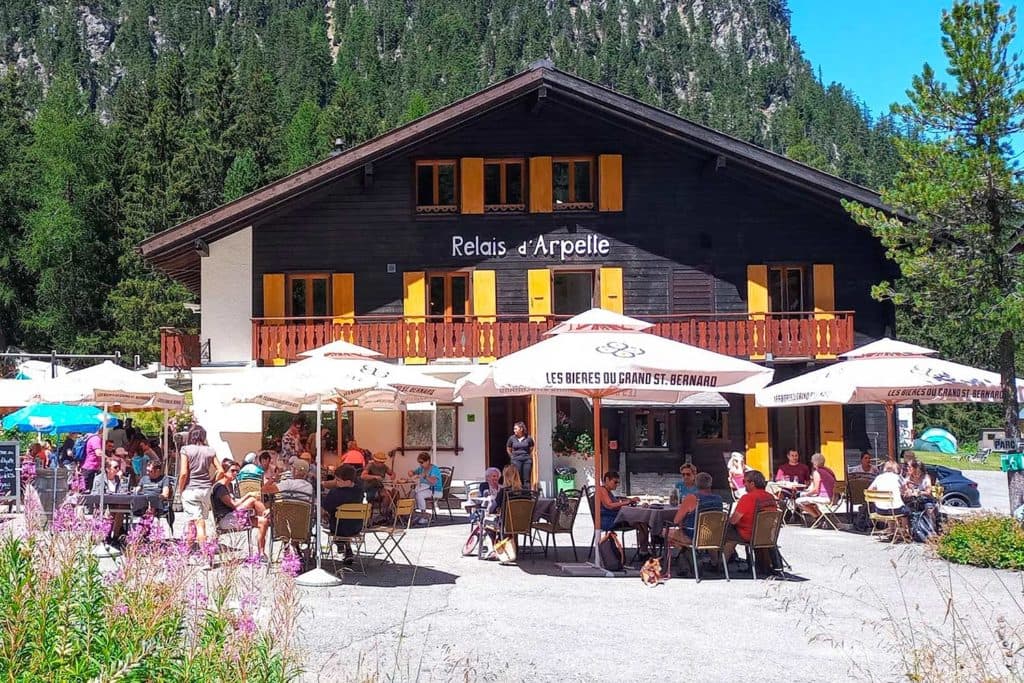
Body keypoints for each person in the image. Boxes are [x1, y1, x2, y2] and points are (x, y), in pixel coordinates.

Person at [211, 463, 270, 561]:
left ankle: (261, 553)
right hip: (226, 520)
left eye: (237, 471)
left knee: (263, 522)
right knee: (252, 499)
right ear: (225, 472)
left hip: (234, 517)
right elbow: (233, 505)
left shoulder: (228, 486)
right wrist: (248, 495)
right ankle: (270, 517)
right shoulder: (220, 487)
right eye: (232, 470)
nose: (235, 473)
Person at [177, 424, 223, 546]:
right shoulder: (210, 450)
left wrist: (180, 489)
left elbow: (183, 473)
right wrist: (212, 482)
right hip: (206, 489)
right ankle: (188, 550)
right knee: (194, 521)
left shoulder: (185, 450)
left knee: (198, 522)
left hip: (191, 489)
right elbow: (221, 471)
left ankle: (204, 554)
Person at [722, 470, 778, 571]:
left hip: (749, 534)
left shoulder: (748, 498)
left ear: (752, 483)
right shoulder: (770, 497)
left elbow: (734, 520)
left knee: (725, 531)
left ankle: (721, 564)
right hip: (766, 535)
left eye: (745, 482)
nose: (744, 485)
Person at [667, 472, 725, 565]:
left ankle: (688, 558)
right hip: (714, 535)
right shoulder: (718, 499)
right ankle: (714, 562)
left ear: (696, 483)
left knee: (664, 532)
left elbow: (676, 520)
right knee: (707, 529)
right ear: (710, 484)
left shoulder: (692, 498)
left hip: (694, 536)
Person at [595, 470, 646, 554]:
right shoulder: (602, 490)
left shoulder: (608, 492)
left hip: (614, 518)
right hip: (609, 520)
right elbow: (609, 505)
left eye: (618, 483)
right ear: (607, 480)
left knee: (642, 522)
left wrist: (627, 501)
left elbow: (615, 503)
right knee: (641, 522)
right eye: (615, 482)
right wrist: (628, 502)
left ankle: (643, 550)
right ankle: (644, 551)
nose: (617, 485)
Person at [322, 464, 364, 565]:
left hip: (338, 528)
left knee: (331, 517)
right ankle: (347, 549)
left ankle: (341, 544)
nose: (336, 482)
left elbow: (327, 507)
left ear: (348, 481)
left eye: (338, 480)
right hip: (356, 527)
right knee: (345, 521)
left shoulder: (335, 493)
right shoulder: (359, 491)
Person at [92, 457, 130, 542]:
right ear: (107, 469)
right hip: (103, 504)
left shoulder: (118, 479)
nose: (118, 469)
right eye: (115, 467)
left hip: (116, 503)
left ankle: (115, 536)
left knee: (122, 508)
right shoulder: (99, 478)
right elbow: (96, 494)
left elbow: (123, 491)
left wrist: (122, 480)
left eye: (118, 467)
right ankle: (106, 534)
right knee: (109, 510)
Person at [795, 453, 837, 521]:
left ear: (814, 463)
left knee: (798, 501)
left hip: (825, 498)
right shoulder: (829, 470)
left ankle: (818, 518)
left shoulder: (817, 472)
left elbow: (816, 490)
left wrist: (803, 494)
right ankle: (821, 518)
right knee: (810, 501)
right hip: (834, 498)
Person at [408, 451, 442, 525]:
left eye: (422, 462)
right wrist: (411, 472)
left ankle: (424, 516)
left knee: (419, 495)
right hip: (425, 488)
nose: (420, 464)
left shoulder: (434, 469)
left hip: (435, 490)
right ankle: (413, 514)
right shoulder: (421, 468)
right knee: (412, 493)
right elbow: (414, 472)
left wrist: (425, 476)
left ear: (428, 461)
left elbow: (433, 481)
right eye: (419, 462)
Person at [506, 422, 534, 490]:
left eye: (516, 429)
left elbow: (531, 447)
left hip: (526, 460)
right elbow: (508, 448)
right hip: (516, 460)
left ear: (521, 429)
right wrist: (512, 457)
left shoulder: (528, 438)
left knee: (526, 478)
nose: (514, 430)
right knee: (517, 478)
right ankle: (517, 495)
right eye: (514, 429)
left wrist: (527, 455)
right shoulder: (512, 438)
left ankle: (527, 496)